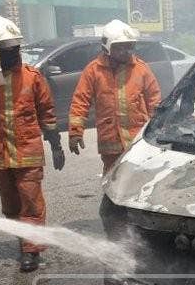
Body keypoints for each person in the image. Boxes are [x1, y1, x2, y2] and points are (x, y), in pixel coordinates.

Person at [0, 15, 64, 273]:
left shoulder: (33, 78)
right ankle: (24, 238)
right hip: (0, 154)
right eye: (6, 50)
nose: (12, 54)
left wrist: (56, 144)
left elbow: (47, 112)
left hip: (28, 152)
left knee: (31, 202)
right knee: (10, 204)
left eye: (14, 49)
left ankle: (30, 251)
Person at [68, 20, 161, 174]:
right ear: (107, 47)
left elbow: (155, 101)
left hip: (137, 139)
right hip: (110, 141)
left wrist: (159, 130)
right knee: (112, 181)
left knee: (138, 180)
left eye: (129, 46)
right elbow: (80, 102)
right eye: (120, 47)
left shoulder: (141, 69)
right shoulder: (94, 71)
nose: (126, 51)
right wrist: (75, 132)